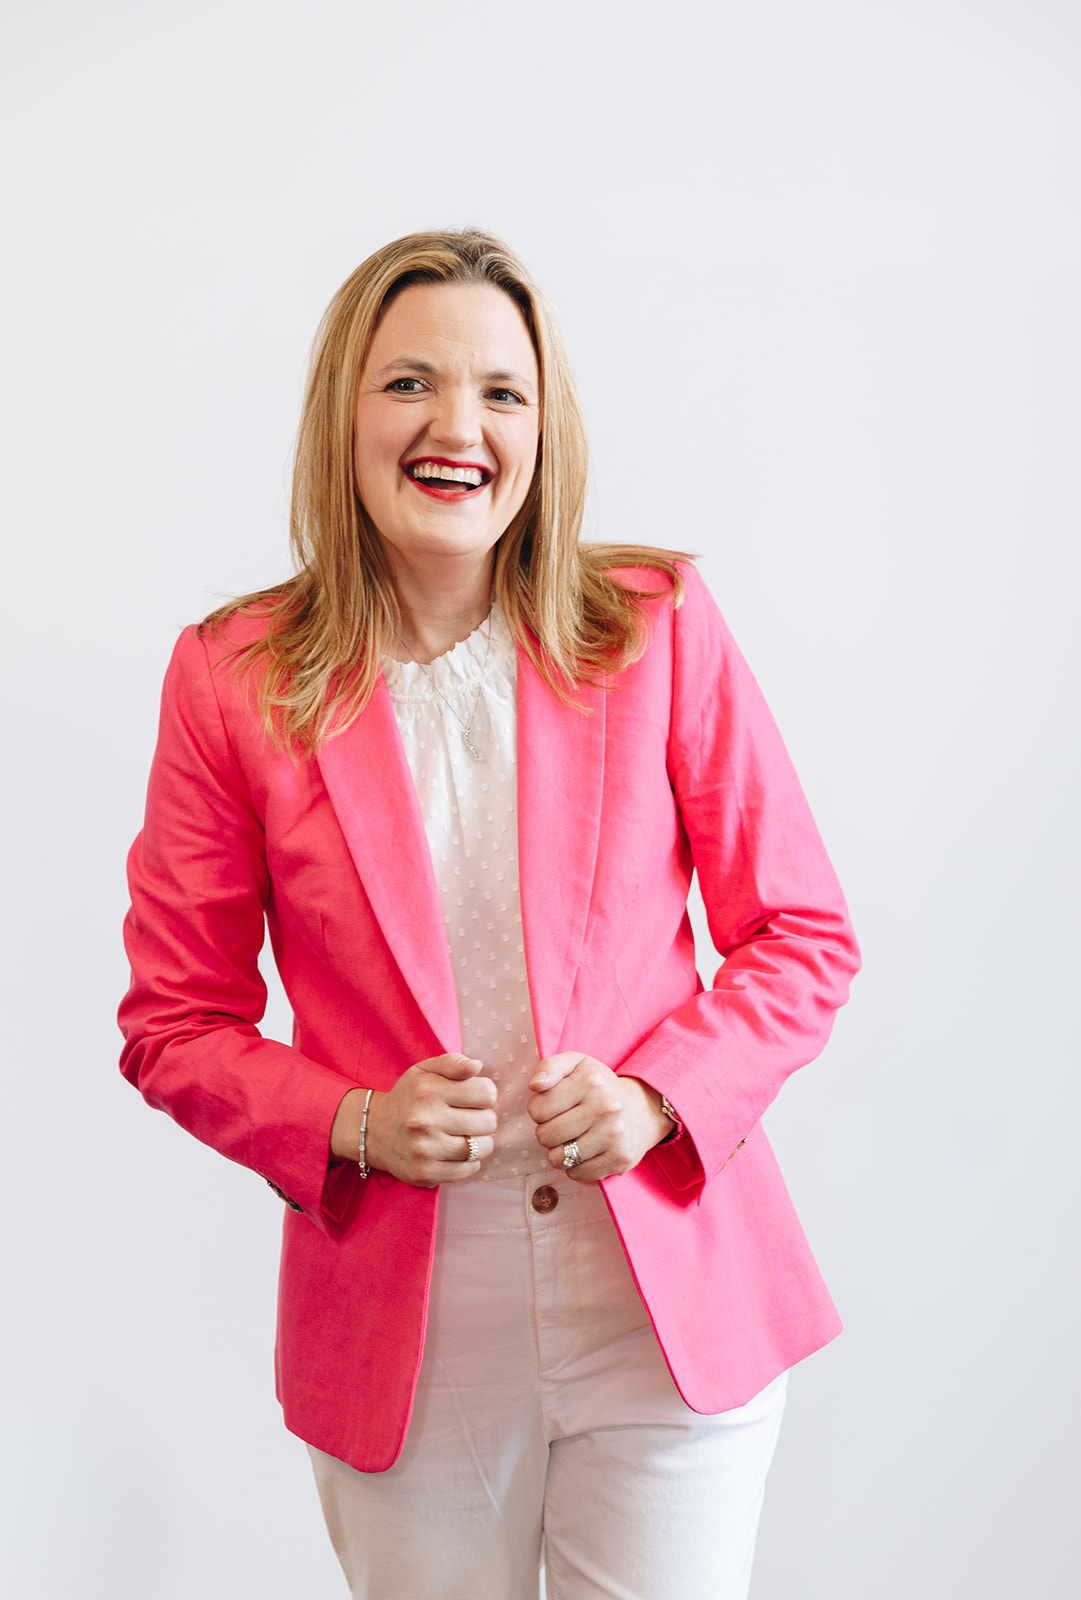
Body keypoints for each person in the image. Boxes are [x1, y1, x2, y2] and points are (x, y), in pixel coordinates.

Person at [119, 227, 860, 1600]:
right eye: (408, 383)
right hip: (407, 1338)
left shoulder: (656, 625)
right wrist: (350, 1120)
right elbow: (173, 1022)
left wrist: (656, 1092)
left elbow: (802, 934)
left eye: (500, 392)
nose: (456, 425)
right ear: (342, 409)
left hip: (662, 1305)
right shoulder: (231, 680)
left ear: (543, 425)